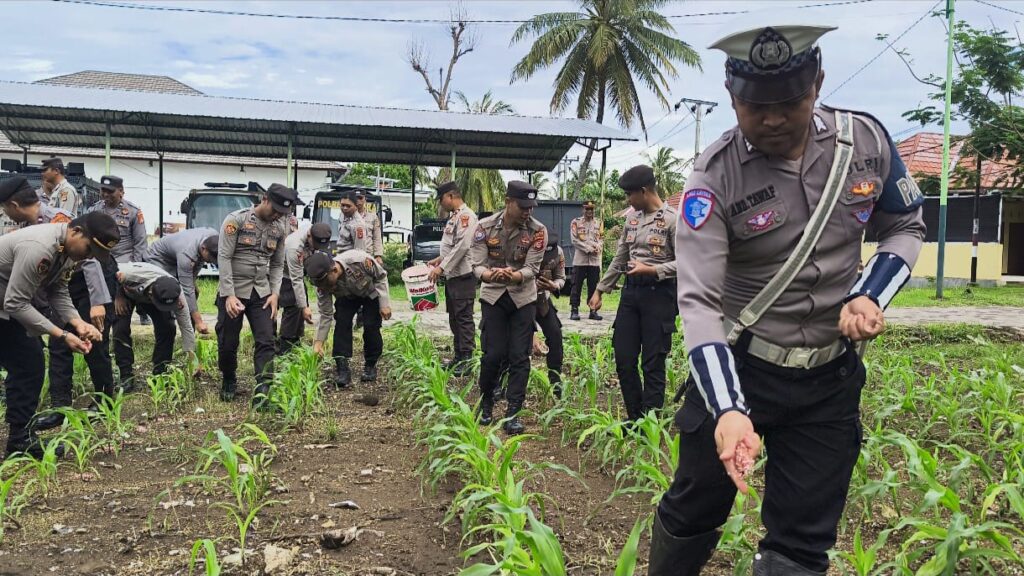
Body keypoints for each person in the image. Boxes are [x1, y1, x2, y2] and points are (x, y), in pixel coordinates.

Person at [648, 22, 926, 576]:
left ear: (817, 83)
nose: (772, 118)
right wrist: (728, 408)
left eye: (788, 102)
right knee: (694, 508)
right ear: (732, 96)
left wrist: (869, 296)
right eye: (755, 106)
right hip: (742, 363)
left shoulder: (866, 143)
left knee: (801, 542)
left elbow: (906, 224)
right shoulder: (713, 177)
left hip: (829, 378)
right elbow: (699, 303)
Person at [0, 176, 117, 429]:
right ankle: (20, 439)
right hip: (8, 306)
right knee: (27, 364)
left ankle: (21, 438)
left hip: (6, 306)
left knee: (28, 365)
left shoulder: (67, 250)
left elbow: (58, 291)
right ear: (76, 231)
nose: (87, 257)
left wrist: (78, 322)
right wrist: (63, 335)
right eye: (88, 249)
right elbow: (16, 304)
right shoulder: (41, 246)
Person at [589, 165, 678, 423]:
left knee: (653, 363)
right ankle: (634, 418)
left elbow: (687, 263)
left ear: (644, 191)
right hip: (631, 295)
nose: (628, 200)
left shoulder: (673, 220)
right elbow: (620, 258)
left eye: (630, 194)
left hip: (659, 296)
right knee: (624, 359)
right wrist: (600, 289)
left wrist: (651, 269)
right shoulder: (632, 219)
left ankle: (649, 422)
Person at [470, 181, 547, 435]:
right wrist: (490, 275)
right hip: (493, 296)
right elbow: (477, 265)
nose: (528, 212)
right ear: (508, 202)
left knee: (519, 356)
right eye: (523, 206)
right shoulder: (484, 227)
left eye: (531, 207)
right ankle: (487, 402)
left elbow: (533, 269)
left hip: (523, 298)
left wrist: (513, 276)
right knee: (492, 354)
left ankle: (513, 411)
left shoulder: (538, 231)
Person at [216, 183, 297, 406]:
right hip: (234, 290)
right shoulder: (236, 220)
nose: (277, 216)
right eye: (275, 210)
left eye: (282, 213)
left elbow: (278, 264)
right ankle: (229, 378)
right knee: (227, 341)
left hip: (261, 292)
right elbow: (223, 258)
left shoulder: (280, 227)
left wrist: (275, 293)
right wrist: (229, 295)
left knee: (267, 340)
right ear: (264, 199)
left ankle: (263, 390)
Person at [305, 250, 392, 387]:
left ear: (334, 270)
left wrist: (384, 304)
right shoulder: (322, 285)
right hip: (346, 297)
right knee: (342, 323)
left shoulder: (360, 261)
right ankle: (342, 368)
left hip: (370, 293)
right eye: (319, 285)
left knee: (371, 326)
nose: (323, 287)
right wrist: (318, 342)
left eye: (325, 283)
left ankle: (370, 364)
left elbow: (381, 277)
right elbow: (326, 314)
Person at [112, 261, 198, 379]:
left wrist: (193, 359)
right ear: (151, 294)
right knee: (120, 329)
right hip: (125, 291)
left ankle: (161, 370)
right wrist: (118, 295)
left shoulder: (176, 293)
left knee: (168, 327)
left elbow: (186, 326)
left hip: (154, 295)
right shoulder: (129, 273)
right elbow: (109, 273)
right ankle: (125, 374)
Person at [89, 174, 152, 335]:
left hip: (125, 268)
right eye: (103, 191)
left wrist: (132, 273)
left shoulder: (132, 212)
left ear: (121, 191)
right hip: (101, 267)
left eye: (110, 191)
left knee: (121, 323)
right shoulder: (94, 210)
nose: (106, 195)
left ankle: (124, 360)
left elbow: (140, 245)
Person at [427, 181, 478, 376]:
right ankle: (458, 356)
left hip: (463, 275)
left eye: (441, 200)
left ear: (450, 196)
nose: (441, 204)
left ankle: (467, 358)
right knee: (455, 318)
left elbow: (463, 247)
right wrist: (439, 259)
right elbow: (452, 246)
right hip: (453, 275)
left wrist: (441, 268)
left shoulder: (466, 216)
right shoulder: (454, 217)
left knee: (464, 318)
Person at [144, 227, 219, 335]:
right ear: (203, 248)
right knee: (170, 291)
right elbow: (187, 289)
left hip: (175, 258)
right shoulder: (186, 254)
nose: (210, 262)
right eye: (210, 259)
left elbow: (199, 261)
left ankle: (189, 330)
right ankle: (167, 323)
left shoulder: (213, 236)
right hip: (158, 259)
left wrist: (193, 280)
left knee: (193, 293)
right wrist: (199, 321)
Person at [278, 222, 332, 353]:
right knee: (293, 303)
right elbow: (296, 279)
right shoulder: (295, 247)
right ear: (309, 236)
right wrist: (305, 307)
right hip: (282, 273)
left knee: (302, 300)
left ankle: (296, 341)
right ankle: (285, 346)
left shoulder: (317, 232)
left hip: (297, 273)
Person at [534, 232, 566, 398]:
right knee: (515, 340)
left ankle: (555, 380)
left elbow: (561, 277)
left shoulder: (558, 252)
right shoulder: (525, 250)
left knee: (555, 336)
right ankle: (503, 382)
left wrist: (554, 285)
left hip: (543, 300)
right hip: (520, 301)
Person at [569, 200, 603, 321]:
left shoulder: (598, 223)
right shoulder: (576, 222)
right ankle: (574, 310)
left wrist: (599, 245)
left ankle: (593, 311)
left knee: (593, 286)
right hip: (580, 260)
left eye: (591, 209)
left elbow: (601, 238)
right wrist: (588, 248)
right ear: (583, 210)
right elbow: (574, 240)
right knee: (576, 286)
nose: (589, 211)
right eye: (587, 209)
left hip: (594, 261)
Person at [355, 191, 384, 265]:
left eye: (360, 198)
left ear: (365, 199)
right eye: (355, 198)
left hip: (367, 256)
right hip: (351, 256)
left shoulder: (373, 217)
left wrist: (378, 255)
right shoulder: (347, 217)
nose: (358, 200)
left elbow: (377, 237)